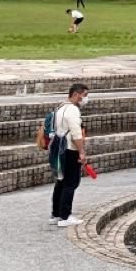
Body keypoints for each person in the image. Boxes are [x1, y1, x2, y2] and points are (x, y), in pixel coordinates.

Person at [49, 83, 90, 227]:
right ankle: (65, 216)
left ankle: (56, 214)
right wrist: (82, 152)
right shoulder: (72, 110)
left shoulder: (60, 107)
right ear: (76, 94)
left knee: (61, 181)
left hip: (59, 148)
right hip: (69, 149)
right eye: (84, 95)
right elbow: (76, 134)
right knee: (71, 183)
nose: (85, 98)